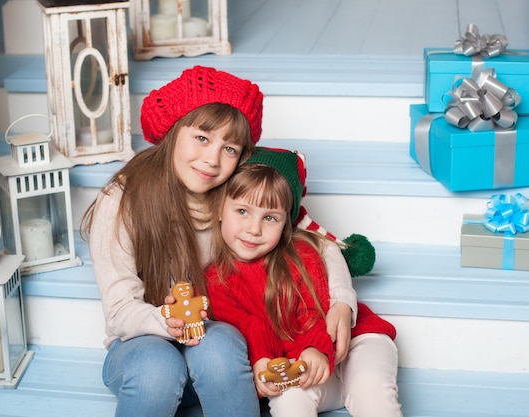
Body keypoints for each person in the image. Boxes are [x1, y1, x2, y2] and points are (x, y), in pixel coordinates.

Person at [81, 66, 356, 417]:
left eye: (229, 148)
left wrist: (342, 302)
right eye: (201, 138)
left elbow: (316, 240)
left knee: (220, 345)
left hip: (214, 356)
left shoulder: (235, 191)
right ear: (173, 131)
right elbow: (120, 310)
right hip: (140, 350)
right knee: (158, 365)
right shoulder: (124, 199)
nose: (212, 160)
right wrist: (167, 320)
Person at [205, 147, 403, 417]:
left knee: (368, 390)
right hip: (301, 365)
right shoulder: (215, 280)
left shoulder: (302, 255)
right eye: (242, 211)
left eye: (270, 217)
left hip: (355, 342)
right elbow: (249, 326)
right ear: (218, 209)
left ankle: (356, 387)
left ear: (287, 221)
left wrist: (315, 348)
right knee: (288, 400)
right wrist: (262, 361)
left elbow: (315, 311)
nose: (254, 228)